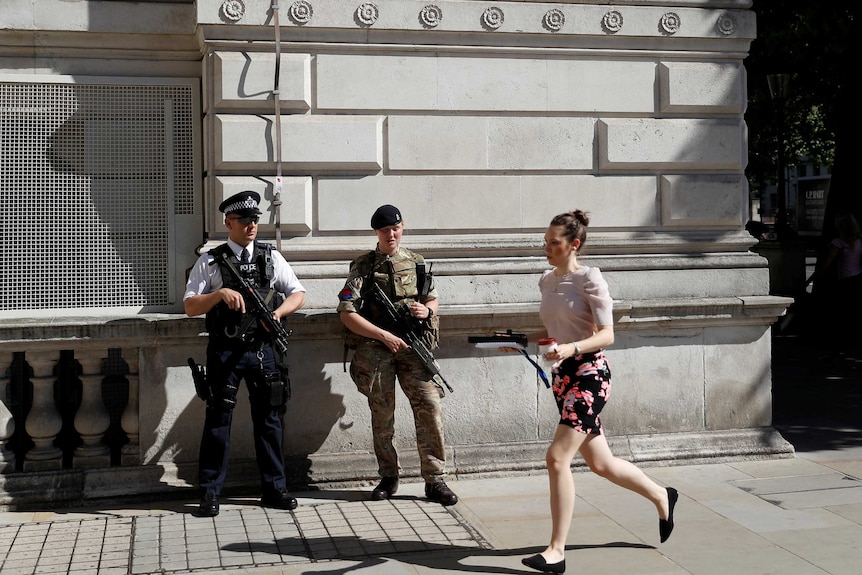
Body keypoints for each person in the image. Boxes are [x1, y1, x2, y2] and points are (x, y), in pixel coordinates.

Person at [513, 210, 678, 574]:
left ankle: (556, 551)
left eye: (553, 243)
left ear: (574, 244)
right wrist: (522, 342)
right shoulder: (546, 280)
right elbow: (557, 329)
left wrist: (571, 349)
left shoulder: (590, 279)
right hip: (563, 378)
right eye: (545, 242)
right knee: (601, 464)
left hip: (591, 376)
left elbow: (607, 334)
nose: (547, 249)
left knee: (557, 458)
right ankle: (662, 495)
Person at [184, 191, 306, 517]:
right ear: (228, 222)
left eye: (255, 219)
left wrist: (278, 315)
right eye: (244, 220)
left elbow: (297, 293)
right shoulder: (211, 261)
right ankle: (210, 493)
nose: (251, 225)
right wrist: (219, 294)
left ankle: (274, 488)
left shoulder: (271, 257)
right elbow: (190, 305)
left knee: (269, 421)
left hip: (263, 352)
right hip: (226, 352)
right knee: (217, 422)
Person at [337, 204, 458, 506]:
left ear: (402, 228)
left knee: (429, 407)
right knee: (382, 414)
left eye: (396, 228)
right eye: (385, 230)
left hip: (413, 347)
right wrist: (383, 335)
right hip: (377, 351)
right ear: (376, 232)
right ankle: (388, 476)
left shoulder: (416, 262)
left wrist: (426, 310)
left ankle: (435, 479)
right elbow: (346, 312)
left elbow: (432, 297)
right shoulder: (362, 266)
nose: (391, 234)